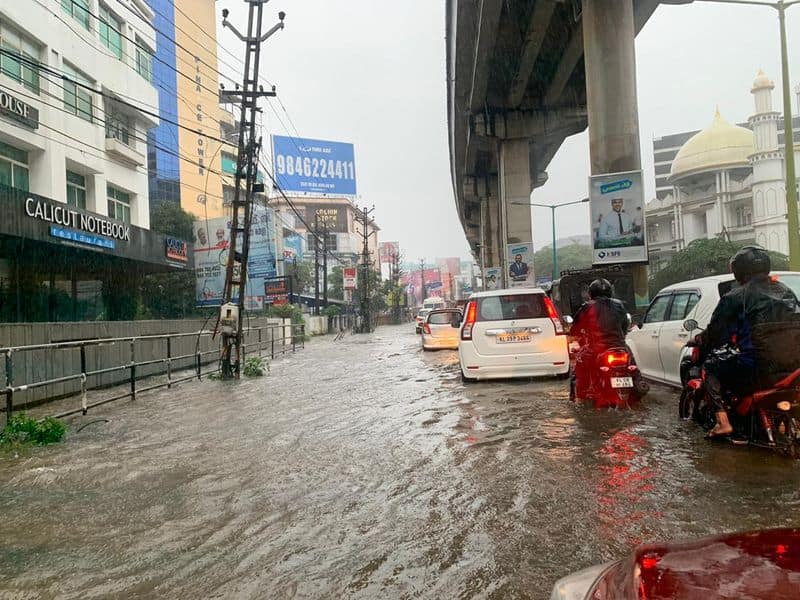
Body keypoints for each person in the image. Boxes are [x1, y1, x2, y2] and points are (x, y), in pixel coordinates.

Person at [697, 246, 800, 438]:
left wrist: (700, 344)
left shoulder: (735, 297)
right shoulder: (786, 291)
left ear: (738, 271)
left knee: (710, 368)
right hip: (794, 366)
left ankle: (723, 423)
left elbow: (716, 333)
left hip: (757, 367)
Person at [570, 278, 630, 397]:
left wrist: (577, 335)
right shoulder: (619, 305)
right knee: (633, 366)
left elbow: (575, 329)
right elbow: (625, 325)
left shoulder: (587, 307)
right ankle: (638, 384)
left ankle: (579, 397)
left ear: (591, 293)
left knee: (577, 371)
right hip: (620, 346)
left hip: (596, 348)